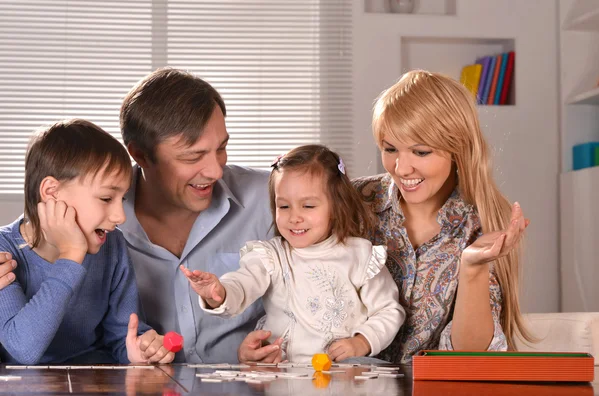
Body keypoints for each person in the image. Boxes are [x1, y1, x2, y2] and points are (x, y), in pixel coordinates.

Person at [237, 70, 531, 364]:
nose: (401, 168)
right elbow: (289, 277)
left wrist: (472, 268)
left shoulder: (483, 223)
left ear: (459, 148)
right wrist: (267, 347)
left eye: (421, 151)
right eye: (390, 149)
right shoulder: (355, 198)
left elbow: (471, 356)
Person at [181, 144, 405, 363]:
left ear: (337, 207)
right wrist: (218, 292)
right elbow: (242, 283)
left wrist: (362, 342)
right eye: (284, 206)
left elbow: (388, 310)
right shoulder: (272, 256)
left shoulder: (360, 255)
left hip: (343, 370)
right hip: (285, 371)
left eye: (308, 206)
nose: (294, 217)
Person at [118, 68, 276, 363]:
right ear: (140, 155)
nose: (216, 171)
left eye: (221, 148)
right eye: (193, 156)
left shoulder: (272, 199)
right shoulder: (101, 220)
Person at [0, 119, 175, 365]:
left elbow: (122, 335)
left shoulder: (112, 246)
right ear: (52, 193)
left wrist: (139, 350)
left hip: (94, 379)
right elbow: (23, 349)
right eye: (106, 198)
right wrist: (71, 255)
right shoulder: (4, 252)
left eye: (121, 199)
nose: (120, 217)